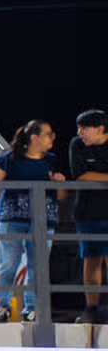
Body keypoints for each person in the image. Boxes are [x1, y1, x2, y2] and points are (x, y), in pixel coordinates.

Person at [0, 119, 65, 323]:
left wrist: (59, 183)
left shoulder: (53, 161)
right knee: (9, 263)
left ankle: (32, 308)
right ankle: (3, 305)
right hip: (13, 217)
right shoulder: (10, 159)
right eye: (48, 134)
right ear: (35, 137)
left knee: (38, 265)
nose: (52, 138)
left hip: (44, 219)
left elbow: (61, 196)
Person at [71, 109, 108, 324]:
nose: (80, 132)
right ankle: (91, 309)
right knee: (91, 260)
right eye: (79, 127)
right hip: (86, 212)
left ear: (101, 128)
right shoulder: (77, 145)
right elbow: (81, 176)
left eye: (85, 128)